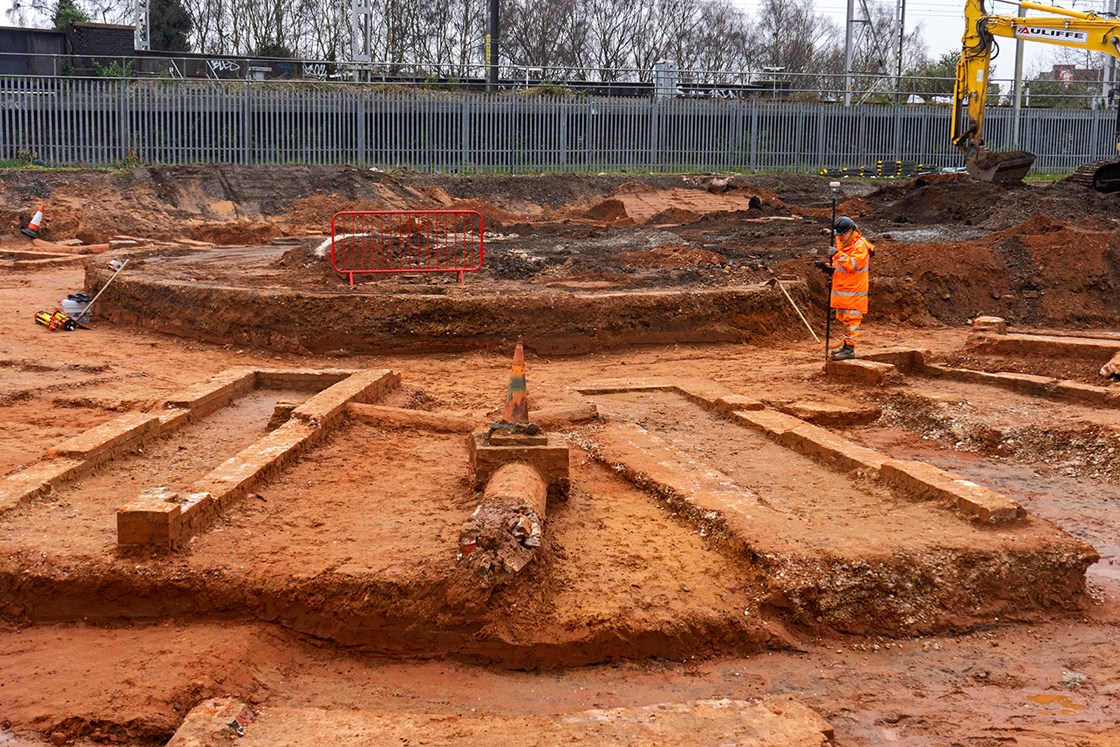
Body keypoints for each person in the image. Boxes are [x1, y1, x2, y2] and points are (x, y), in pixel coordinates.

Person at [814, 215, 874, 361]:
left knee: (852, 321)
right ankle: (846, 346)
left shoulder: (860, 246)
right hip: (845, 291)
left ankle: (849, 349)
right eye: (839, 235)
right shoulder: (846, 245)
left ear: (851, 231)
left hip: (854, 291)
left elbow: (852, 265)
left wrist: (837, 254)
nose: (840, 238)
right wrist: (828, 268)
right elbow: (841, 268)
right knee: (846, 321)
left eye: (842, 235)